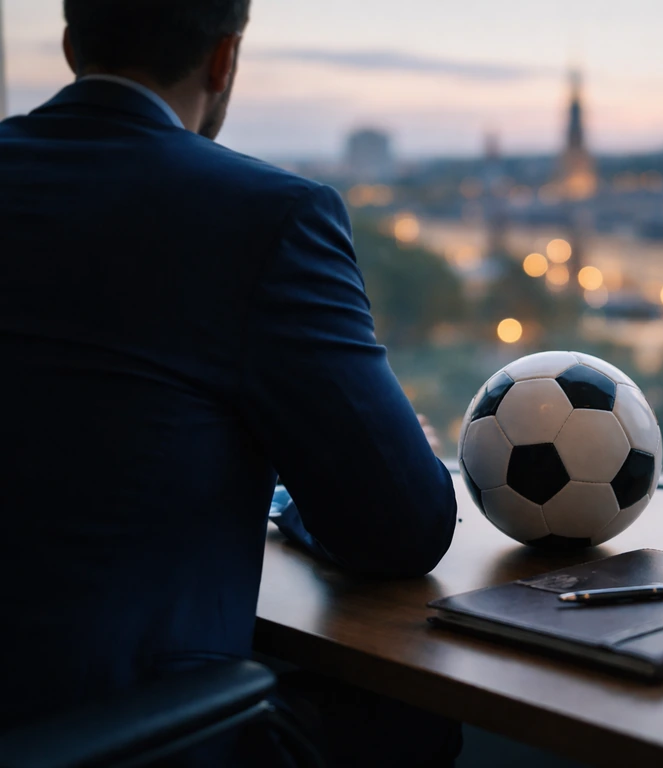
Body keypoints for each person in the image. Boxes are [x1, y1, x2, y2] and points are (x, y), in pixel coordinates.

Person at [0, 1, 460, 764]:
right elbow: (403, 527)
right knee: (410, 723)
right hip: (121, 730)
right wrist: (298, 497)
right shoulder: (267, 215)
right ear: (224, 60)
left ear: (72, 44)